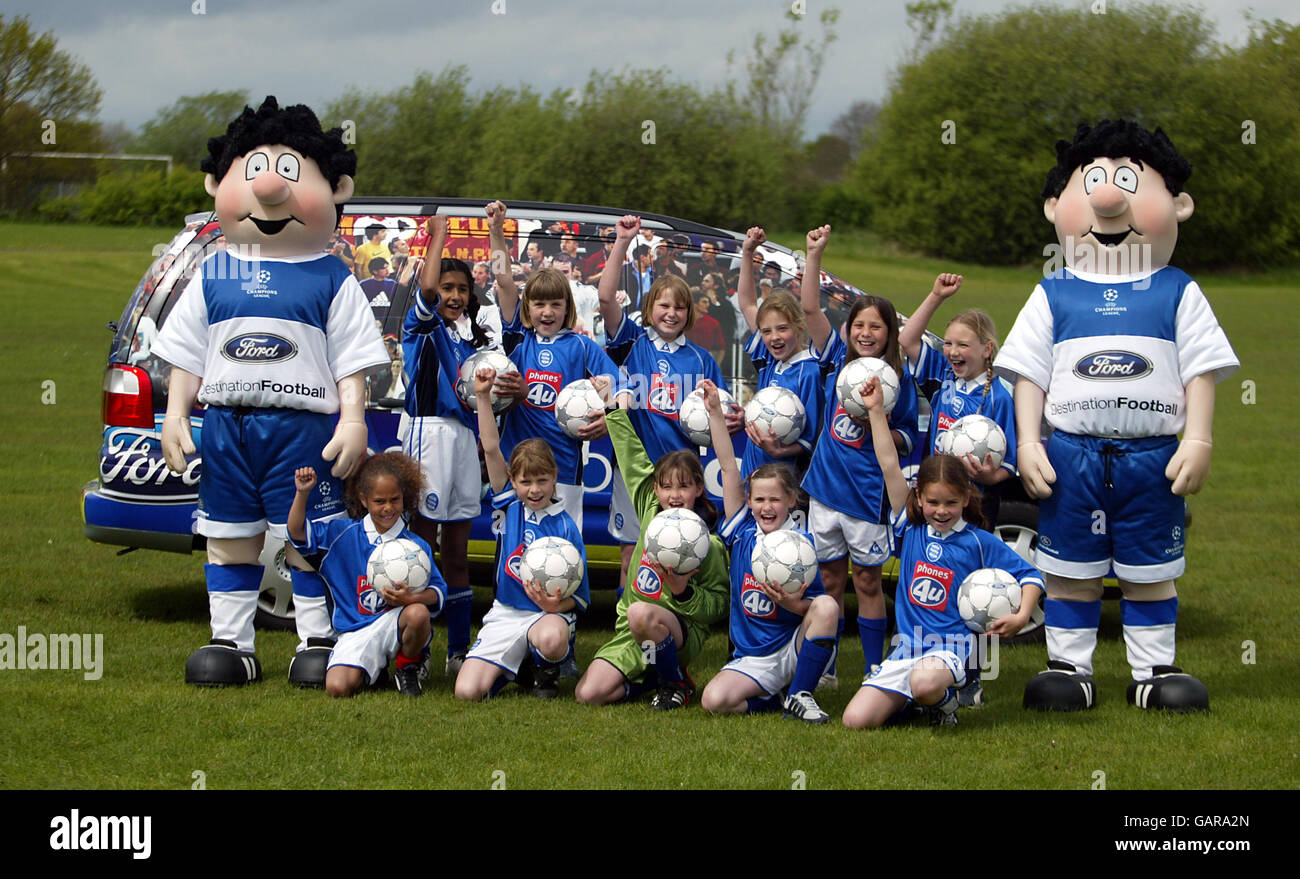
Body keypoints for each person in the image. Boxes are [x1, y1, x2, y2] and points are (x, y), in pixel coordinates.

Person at [996, 120, 1239, 712]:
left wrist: (1199, 439)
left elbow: (1199, 370)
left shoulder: (1177, 291)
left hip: (1151, 458)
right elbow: (1029, 373)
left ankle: (1154, 670)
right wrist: (1029, 442)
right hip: (1071, 456)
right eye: (1096, 183)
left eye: (1128, 182)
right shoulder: (1054, 292)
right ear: (1056, 206)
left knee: (1150, 569)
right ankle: (1068, 668)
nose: (1109, 200)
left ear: (1178, 205)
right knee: (1070, 571)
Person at [154, 97, 388, 687]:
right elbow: (188, 354)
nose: (269, 188)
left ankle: (316, 639)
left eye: (291, 173)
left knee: (302, 536)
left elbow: (352, 362)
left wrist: (353, 419)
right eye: (254, 168)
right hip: (229, 427)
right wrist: (176, 414)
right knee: (229, 537)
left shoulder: (331, 275)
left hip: (301, 429)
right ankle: (232, 643)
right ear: (217, 182)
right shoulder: (214, 271)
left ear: (337, 189)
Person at [842, 378, 1044, 729]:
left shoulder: (979, 541)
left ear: (966, 498)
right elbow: (889, 463)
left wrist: (1021, 614)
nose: (941, 510)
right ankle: (917, 704)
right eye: (933, 502)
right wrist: (875, 411)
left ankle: (945, 704)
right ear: (919, 498)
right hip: (906, 650)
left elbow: (1032, 576)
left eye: (951, 502)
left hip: (949, 649)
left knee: (925, 683)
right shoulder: (911, 527)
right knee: (854, 720)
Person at [799, 224, 919, 689]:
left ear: (890, 334)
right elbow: (810, 306)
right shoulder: (835, 360)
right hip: (824, 492)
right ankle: (825, 667)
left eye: (877, 326)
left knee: (867, 583)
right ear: (850, 331)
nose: (867, 333)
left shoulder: (896, 379)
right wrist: (815, 255)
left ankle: (874, 668)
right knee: (828, 583)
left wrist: (881, 424)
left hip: (867, 497)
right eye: (860, 325)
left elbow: (909, 435)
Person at [595, 213, 743, 588]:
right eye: (663, 305)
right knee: (632, 554)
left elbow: (717, 412)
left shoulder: (700, 359)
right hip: (636, 470)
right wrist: (623, 242)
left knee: (681, 554)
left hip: (681, 475)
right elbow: (605, 297)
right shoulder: (633, 343)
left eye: (679, 307)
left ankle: (672, 628)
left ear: (689, 313)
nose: (671, 313)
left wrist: (731, 418)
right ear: (649, 309)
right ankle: (627, 628)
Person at [574, 381, 730, 710]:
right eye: (667, 487)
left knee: (641, 612)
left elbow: (717, 607)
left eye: (684, 487)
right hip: (633, 632)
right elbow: (630, 454)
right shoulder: (649, 507)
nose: (674, 495)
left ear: (699, 489)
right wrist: (610, 405)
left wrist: (682, 591)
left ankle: (675, 683)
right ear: (655, 490)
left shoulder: (709, 543)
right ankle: (651, 681)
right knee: (588, 694)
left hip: (678, 631)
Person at [696, 379, 839, 724]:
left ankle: (801, 693)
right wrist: (715, 413)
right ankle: (773, 701)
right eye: (759, 499)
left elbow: (817, 609)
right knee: (714, 700)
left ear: (791, 501)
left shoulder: (799, 544)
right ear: (749, 502)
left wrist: (794, 605)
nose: (767, 507)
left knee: (828, 604)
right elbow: (729, 467)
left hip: (791, 647)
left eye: (775, 499)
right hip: (752, 656)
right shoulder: (742, 533)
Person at [401, 215, 502, 677]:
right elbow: (424, 293)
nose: (454, 296)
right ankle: (415, 650)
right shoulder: (420, 327)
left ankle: (458, 650)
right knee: (422, 547)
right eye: (446, 287)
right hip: (427, 435)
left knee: (459, 551)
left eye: (461, 288)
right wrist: (438, 238)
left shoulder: (474, 341)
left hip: (463, 441)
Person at [454, 367, 591, 701]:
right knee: (467, 692)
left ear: (555, 478)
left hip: (547, 615)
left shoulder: (565, 526)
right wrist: (484, 398)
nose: (534, 490)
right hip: (506, 612)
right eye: (526, 482)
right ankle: (513, 668)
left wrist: (556, 604)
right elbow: (490, 449)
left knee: (553, 637)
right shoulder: (508, 508)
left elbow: (582, 598)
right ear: (512, 482)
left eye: (542, 480)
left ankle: (544, 675)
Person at [486, 200, 618, 531]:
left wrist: (610, 417)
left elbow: (617, 386)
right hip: (516, 467)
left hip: (563, 467)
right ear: (526, 308)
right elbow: (503, 280)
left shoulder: (583, 347)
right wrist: (496, 229)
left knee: (562, 551)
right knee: (512, 545)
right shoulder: (517, 338)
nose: (547, 312)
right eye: (539, 304)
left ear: (567, 307)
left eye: (555, 304)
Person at [287, 453, 444, 697]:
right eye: (380, 501)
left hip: (396, 622)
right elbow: (297, 533)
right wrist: (302, 493)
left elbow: (437, 592)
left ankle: (407, 668)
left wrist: (409, 600)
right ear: (364, 499)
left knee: (418, 613)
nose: (388, 508)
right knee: (337, 687)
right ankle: (375, 671)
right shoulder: (341, 535)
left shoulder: (414, 547)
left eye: (395, 499)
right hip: (355, 630)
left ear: (404, 497)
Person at [900, 274, 1017, 526]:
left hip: (976, 502)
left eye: (963, 345)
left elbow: (1009, 464)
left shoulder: (1000, 397)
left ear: (987, 349)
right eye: (949, 343)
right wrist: (936, 296)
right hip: (936, 497)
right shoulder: (942, 374)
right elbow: (907, 339)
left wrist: (989, 477)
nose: (953, 352)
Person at [735, 226, 826, 480]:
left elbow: (810, 439)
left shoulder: (810, 371)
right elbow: (747, 304)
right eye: (767, 331)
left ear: (799, 327)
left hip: (784, 482)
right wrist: (747, 252)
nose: (774, 337)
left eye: (782, 329)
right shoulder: (768, 361)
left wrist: (779, 450)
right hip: (751, 475)